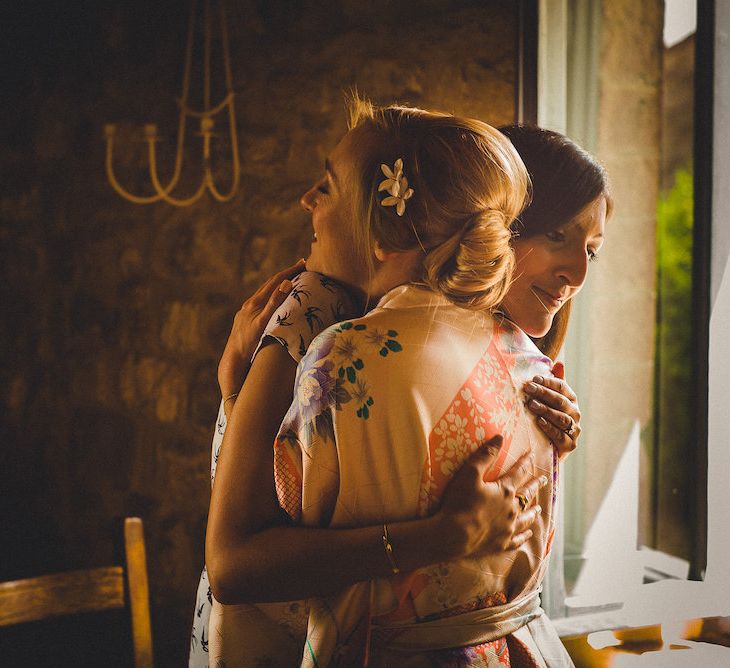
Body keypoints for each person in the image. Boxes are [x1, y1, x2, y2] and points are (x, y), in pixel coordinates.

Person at [203, 98, 610, 666]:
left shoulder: (340, 354)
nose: (579, 273)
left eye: (592, 249)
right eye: (561, 237)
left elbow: (247, 571)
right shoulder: (517, 362)